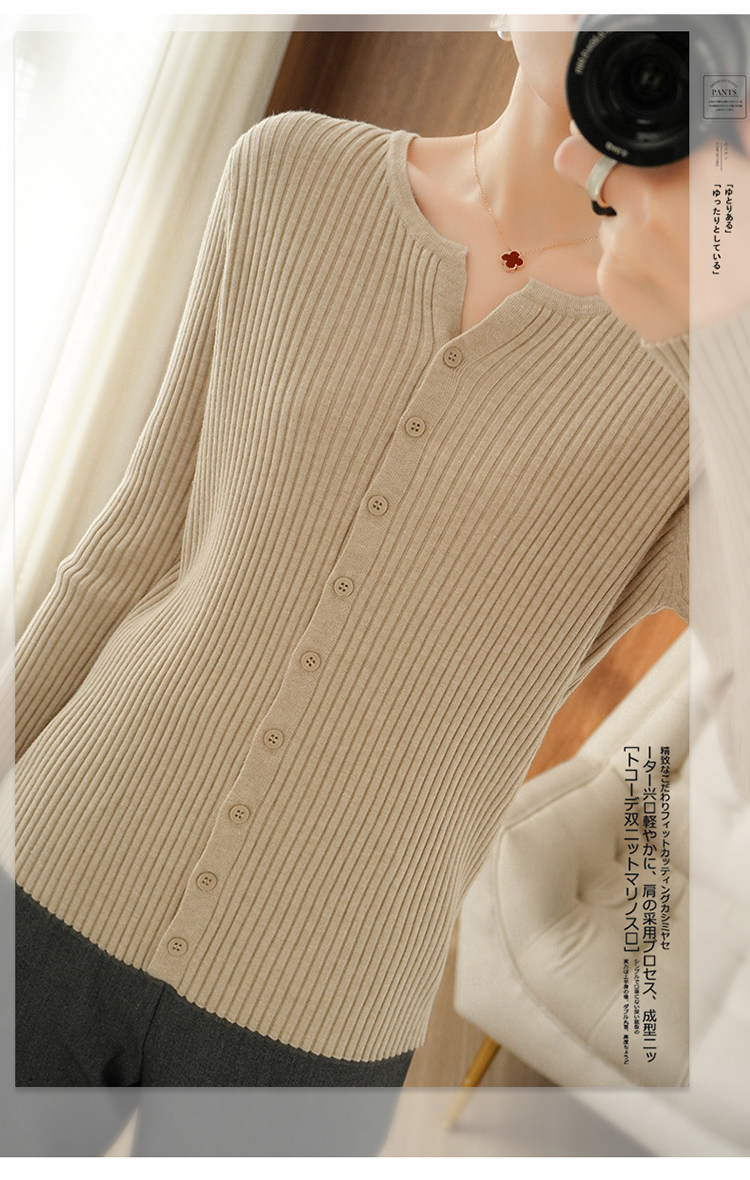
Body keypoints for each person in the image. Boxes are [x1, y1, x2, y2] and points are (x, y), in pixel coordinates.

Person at [14, 17, 688, 1103]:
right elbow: (131, 541)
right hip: (61, 853)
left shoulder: (691, 362)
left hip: (328, 996)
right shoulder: (289, 175)